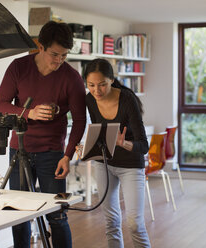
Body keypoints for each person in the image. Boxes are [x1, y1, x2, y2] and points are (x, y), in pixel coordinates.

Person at [0, 21, 86, 248]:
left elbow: (80, 120)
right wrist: (29, 112)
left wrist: (67, 155)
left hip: (53, 154)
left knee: (57, 215)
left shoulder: (72, 77)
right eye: (54, 54)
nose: (59, 61)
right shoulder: (18, 67)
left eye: (64, 56)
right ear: (40, 46)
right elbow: (0, 104)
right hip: (20, 150)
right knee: (19, 214)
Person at [83, 58, 151, 248]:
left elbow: (143, 145)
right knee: (111, 221)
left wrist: (124, 143)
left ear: (112, 80)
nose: (97, 90)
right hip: (105, 163)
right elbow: (98, 131)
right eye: (91, 85)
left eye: (102, 84)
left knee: (135, 223)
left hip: (131, 165)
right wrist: (87, 147)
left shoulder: (127, 99)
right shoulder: (89, 99)